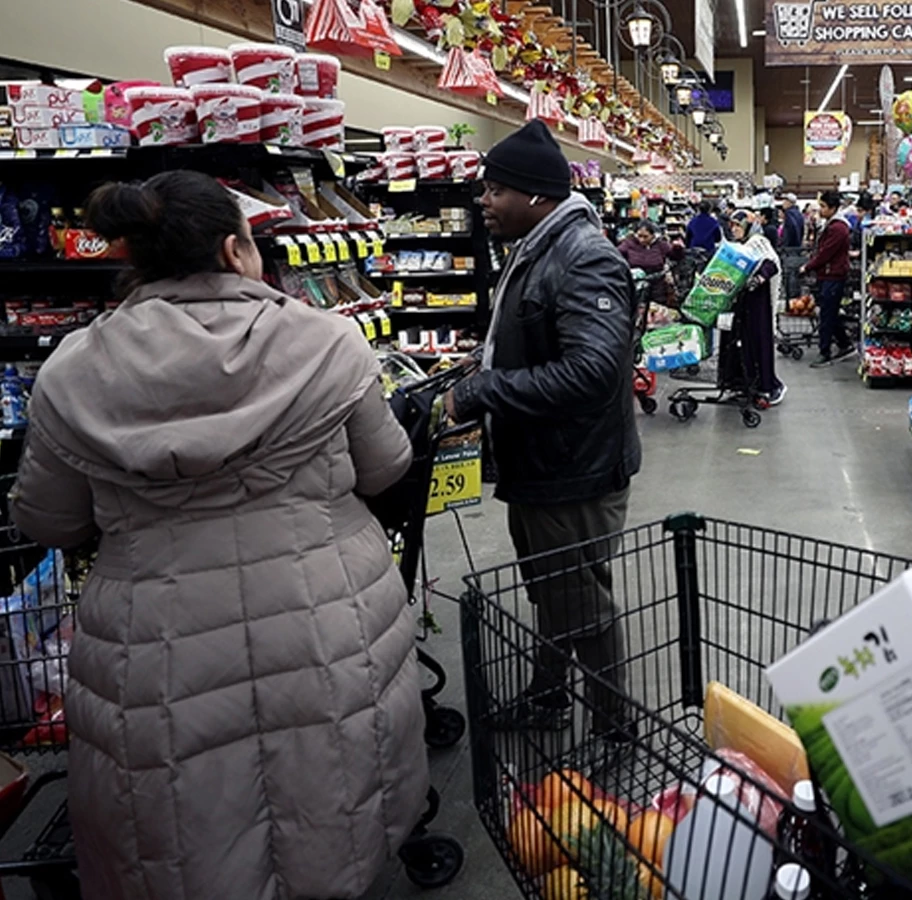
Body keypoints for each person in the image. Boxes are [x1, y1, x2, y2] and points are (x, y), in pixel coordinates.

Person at [9, 170, 425, 900]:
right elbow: (387, 465)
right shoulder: (329, 344)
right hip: (322, 617)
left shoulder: (72, 369)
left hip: (157, 643)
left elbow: (47, 519)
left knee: (182, 825)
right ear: (235, 251)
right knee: (328, 797)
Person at [445, 121, 640, 740]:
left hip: (573, 469)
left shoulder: (583, 256)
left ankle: (616, 728)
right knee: (556, 596)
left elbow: (592, 371)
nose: (483, 201)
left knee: (582, 605)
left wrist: (484, 391)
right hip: (546, 463)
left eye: (495, 190)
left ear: (534, 195)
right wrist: (487, 362)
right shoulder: (539, 247)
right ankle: (548, 697)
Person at [722, 210, 786, 405]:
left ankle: (767, 386)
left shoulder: (758, 242)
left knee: (757, 343)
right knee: (735, 343)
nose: (734, 229)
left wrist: (758, 278)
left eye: (738, 225)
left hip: (757, 303)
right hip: (738, 303)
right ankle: (739, 383)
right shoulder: (735, 246)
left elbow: (771, 263)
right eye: (732, 225)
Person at [799, 190, 857, 368]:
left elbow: (826, 253)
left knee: (827, 315)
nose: (820, 210)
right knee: (830, 312)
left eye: (823, 207)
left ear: (833, 208)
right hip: (829, 274)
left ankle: (825, 353)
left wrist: (807, 267)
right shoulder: (831, 225)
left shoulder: (838, 228)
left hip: (833, 275)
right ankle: (845, 344)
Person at [617, 220, 684, 308]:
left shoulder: (661, 244)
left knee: (657, 309)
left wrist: (678, 248)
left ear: (653, 235)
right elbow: (617, 254)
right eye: (639, 236)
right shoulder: (629, 243)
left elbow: (675, 256)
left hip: (657, 284)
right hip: (636, 284)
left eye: (645, 237)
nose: (642, 240)